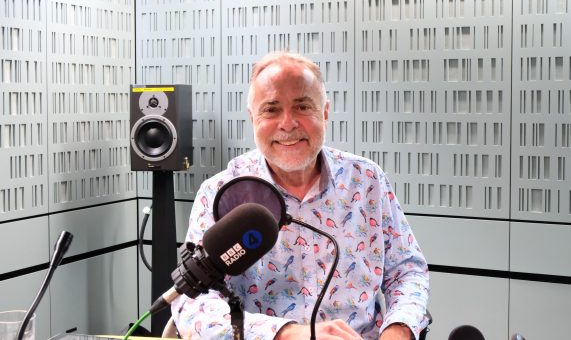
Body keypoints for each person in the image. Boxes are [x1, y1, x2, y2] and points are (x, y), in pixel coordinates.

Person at [171, 52, 430, 340]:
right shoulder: (221, 193)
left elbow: (407, 272)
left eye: (302, 106)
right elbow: (192, 303)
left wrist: (399, 328)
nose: (288, 123)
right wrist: (286, 334)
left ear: (325, 112)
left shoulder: (367, 180)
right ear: (252, 117)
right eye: (271, 109)